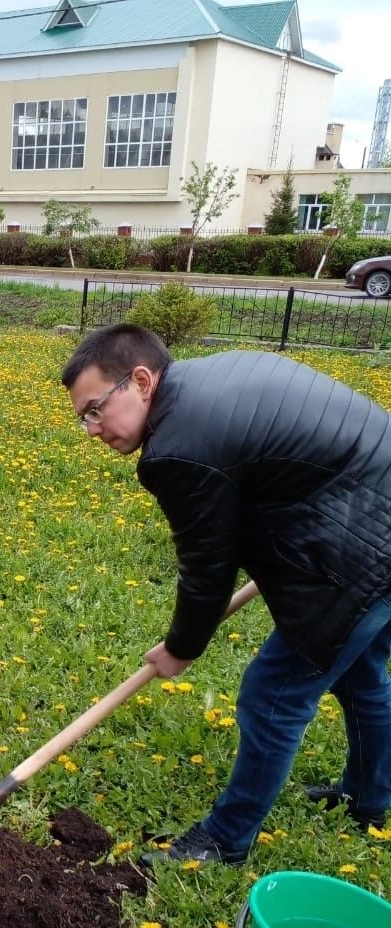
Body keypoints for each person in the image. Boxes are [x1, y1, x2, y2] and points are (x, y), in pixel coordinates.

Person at [61, 323, 391, 865]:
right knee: (360, 673)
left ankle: (226, 839)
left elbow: (207, 568)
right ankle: (371, 798)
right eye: (83, 418)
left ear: (141, 380)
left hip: (363, 543)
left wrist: (180, 648)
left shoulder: (179, 447)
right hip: (367, 508)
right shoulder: (202, 384)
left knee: (273, 694)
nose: (92, 429)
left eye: (95, 409)